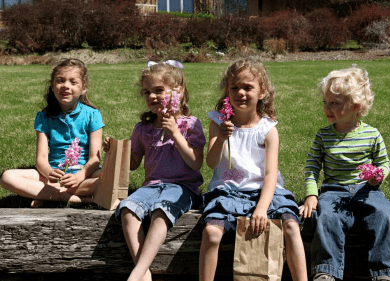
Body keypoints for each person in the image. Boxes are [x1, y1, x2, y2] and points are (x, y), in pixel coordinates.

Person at [199, 59, 308, 281]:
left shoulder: (267, 129)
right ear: (227, 91)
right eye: (235, 87)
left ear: (262, 92)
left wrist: (261, 208)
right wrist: (220, 137)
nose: (240, 93)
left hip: (265, 191)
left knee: (291, 227)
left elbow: (270, 175)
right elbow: (210, 162)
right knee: (211, 233)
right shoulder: (218, 122)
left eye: (248, 87)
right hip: (227, 190)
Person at [299, 65, 390, 281]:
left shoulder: (372, 135)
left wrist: (378, 175)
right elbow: (312, 167)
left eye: (334, 103)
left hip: (367, 190)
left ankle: (385, 272)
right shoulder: (323, 136)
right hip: (333, 190)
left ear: (356, 106)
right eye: (325, 103)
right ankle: (327, 271)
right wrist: (311, 195)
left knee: (385, 215)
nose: (327, 108)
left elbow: (384, 162)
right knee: (326, 217)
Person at [106, 61, 205, 281]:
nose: (152, 96)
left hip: (183, 187)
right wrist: (114, 150)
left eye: (159, 90)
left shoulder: (190, 124)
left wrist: (175, 134)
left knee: (161, 211)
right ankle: (145, 274)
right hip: (151, 186)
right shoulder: (143, 128)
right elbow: (132, 164)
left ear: (177, 91)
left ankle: (137, 273)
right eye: (147, 92)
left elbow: (196, 163)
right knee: (127, 210)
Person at [0, 58, 104, 207]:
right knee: (7, 177)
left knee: (110, 177)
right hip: (53, 176)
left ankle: (47, 194)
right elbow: (41, 160)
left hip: (85, 174)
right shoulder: (44, 117)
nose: (65, 86)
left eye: (73, 82)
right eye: (60, 81)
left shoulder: (93, 115)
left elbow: (95, 159)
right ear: (52, 86)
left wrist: (80, 176)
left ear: (84, 88)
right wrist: (49, 173)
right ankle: (71, 198)